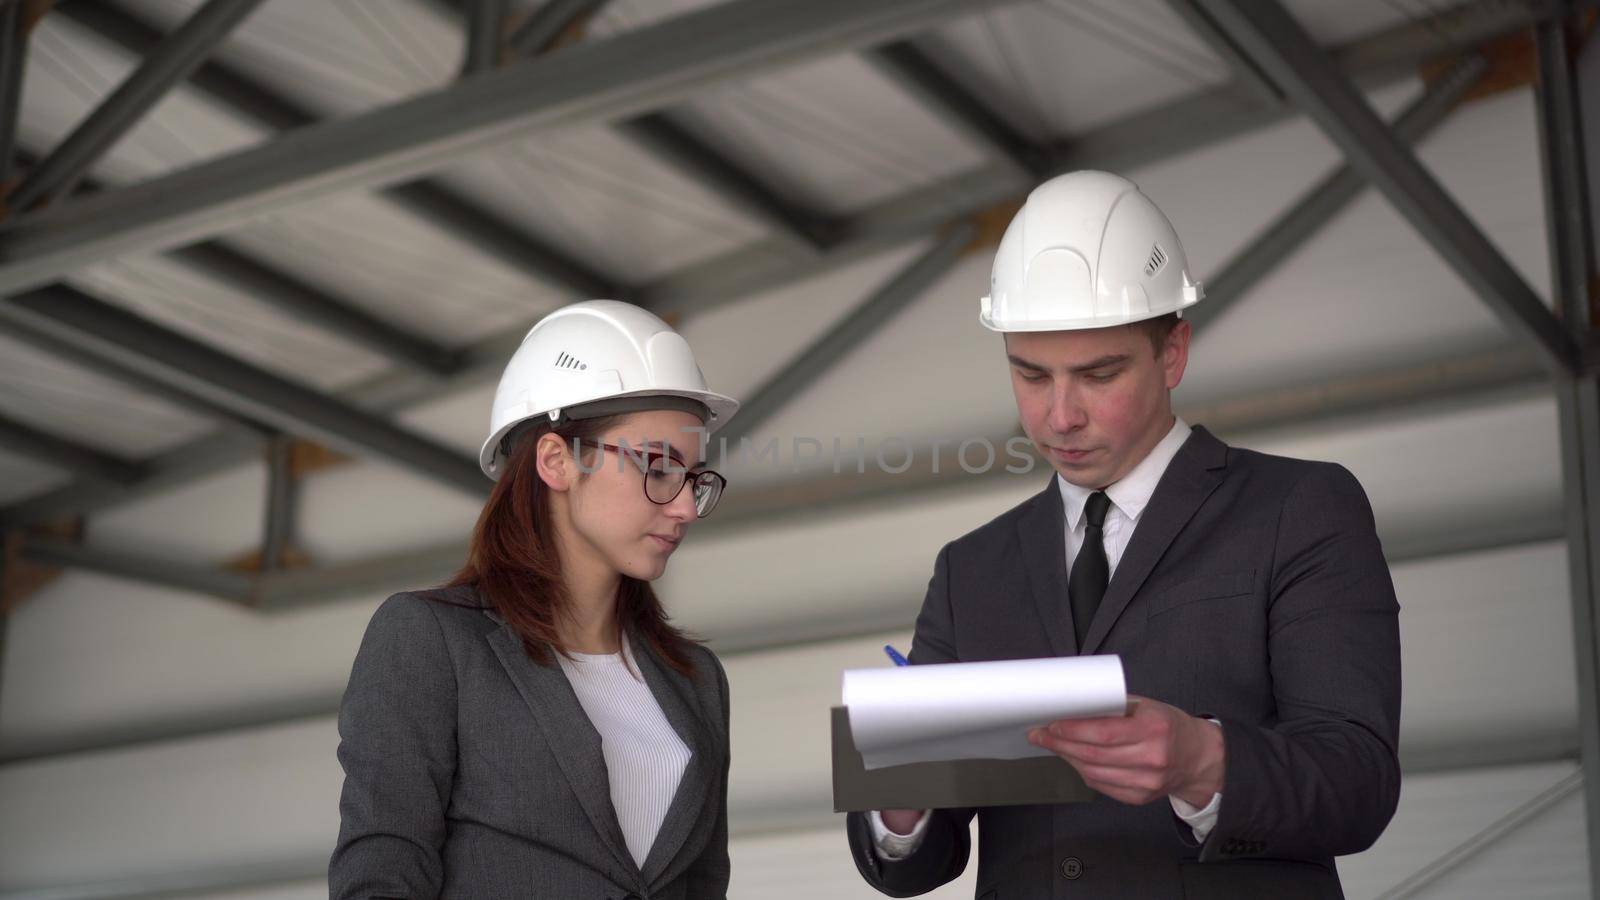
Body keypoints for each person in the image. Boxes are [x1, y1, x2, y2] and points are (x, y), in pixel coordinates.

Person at [845, 171, 1401, 899]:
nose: (1059, 416)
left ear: (1172, 353)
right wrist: (899, 798)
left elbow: (1358, 782)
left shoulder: (1297, 509)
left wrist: (1206, 758)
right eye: (1031, 375)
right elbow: (913, 861)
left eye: (1098, 374)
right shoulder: (970, 570)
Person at [330, 300, 739, 899]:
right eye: (657, 465)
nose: (682, 505)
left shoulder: (696, 679)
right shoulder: (431, 640)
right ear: (556, 461)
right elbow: (382, 871)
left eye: (694, 477)